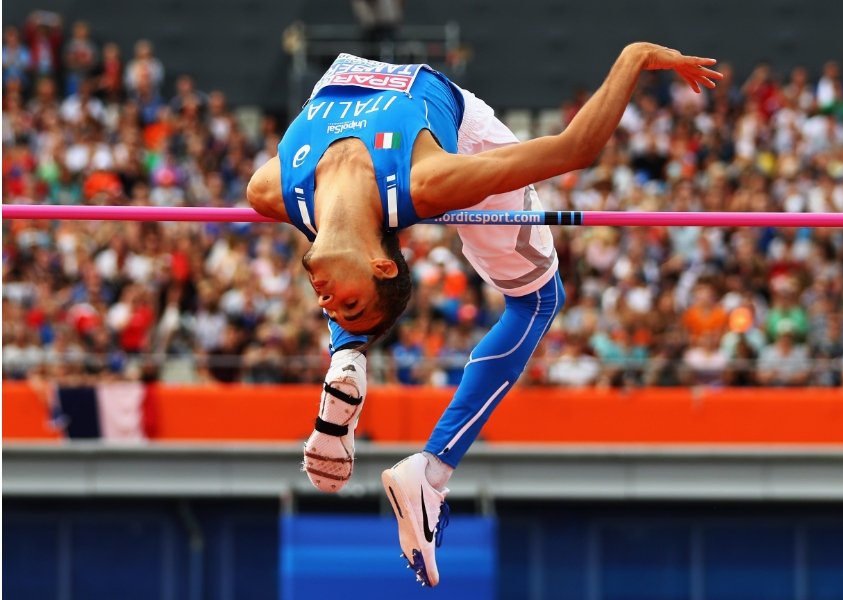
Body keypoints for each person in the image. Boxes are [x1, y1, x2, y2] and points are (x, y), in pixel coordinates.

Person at [247, 44, 721, 587]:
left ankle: (349, 354)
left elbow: (339, 230)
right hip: (446, 126)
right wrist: (633, 60)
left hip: (374, 122)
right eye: (344, 305)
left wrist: (636, 58)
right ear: (383, 263)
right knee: (539, 301)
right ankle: (431, 469)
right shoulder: (429, 183)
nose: (324, 302)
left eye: (335, 307)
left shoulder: (270, 190)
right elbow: (574, 148)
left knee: (333, 225)